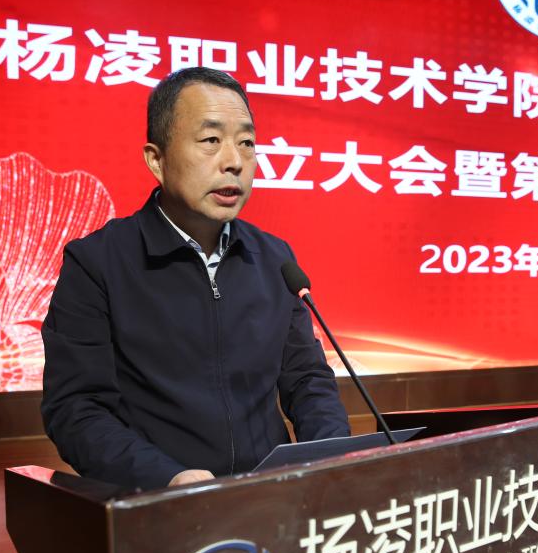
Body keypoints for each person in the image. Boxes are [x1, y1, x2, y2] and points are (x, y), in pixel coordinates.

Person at [40, 67, 351, 490]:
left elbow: (307, 381)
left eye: (246, 143)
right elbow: (76, 409)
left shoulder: (274, 259)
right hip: (161, 503)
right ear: (157, 159)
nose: (234, 161)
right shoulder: (97, 263)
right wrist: (166, 477)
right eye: (210, 141)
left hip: (269, 499)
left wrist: (333, 457)